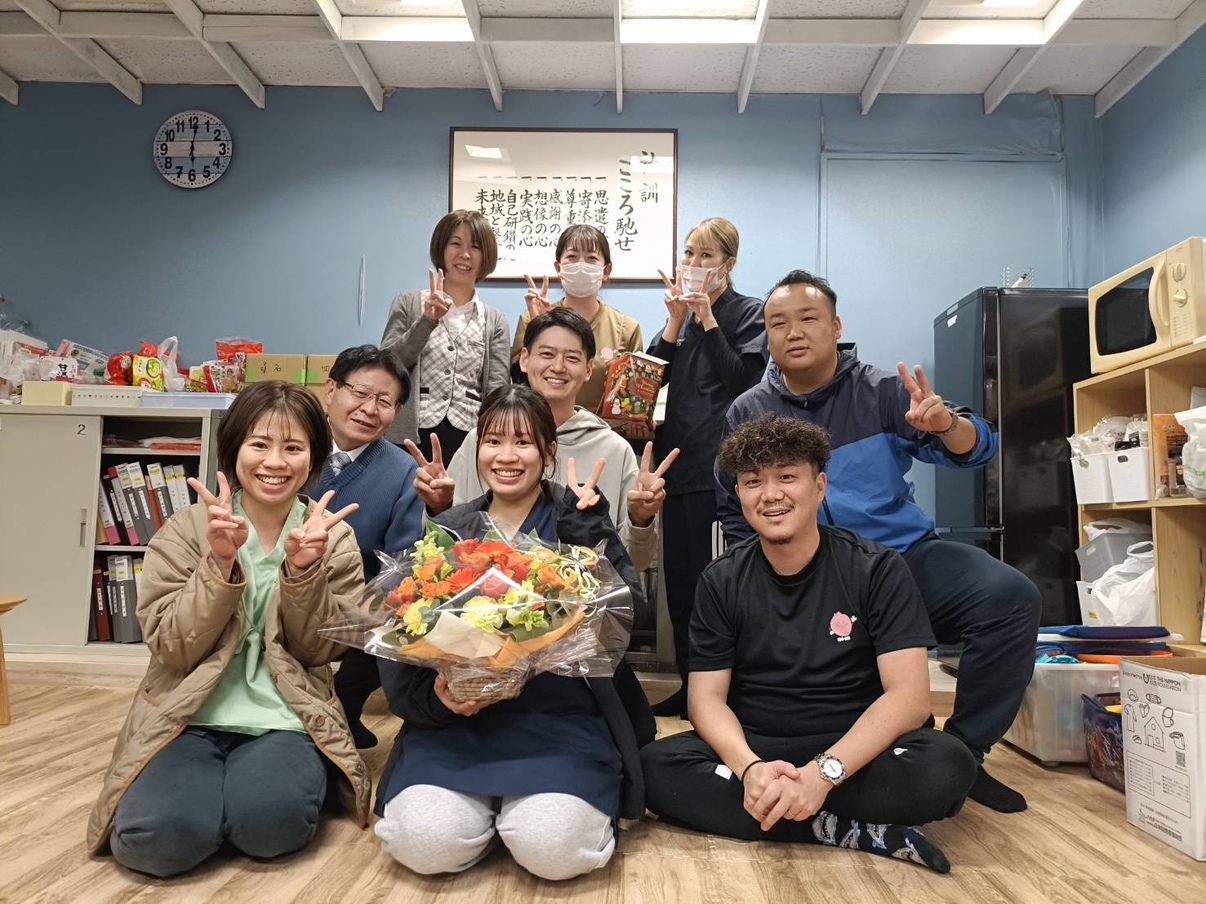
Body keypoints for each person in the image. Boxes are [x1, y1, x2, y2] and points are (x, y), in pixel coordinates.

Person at [716, 270, 1042, 814]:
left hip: (900, 560)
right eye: (778, 323)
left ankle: (964, 754)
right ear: (766, 336)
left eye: (808, 318)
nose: (793, 332)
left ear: (836, 326)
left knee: (1010, 598)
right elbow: (732, 507)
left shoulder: (885, 392)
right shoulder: (747, 411)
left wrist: (945, 425)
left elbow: (979, 447)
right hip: (802, 573)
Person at [642, 414, 976, 874]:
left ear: (819, 487)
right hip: (757, 743)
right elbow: (705, 700)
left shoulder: (876, 569)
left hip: (854, 750)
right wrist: (750, 768)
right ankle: (844, 829)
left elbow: (910, 698)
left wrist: (823, 774)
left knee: (946, 766)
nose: (770, 494)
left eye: (787, 477)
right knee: (654, 766)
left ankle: (786, 812)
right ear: (739, 494)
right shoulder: (721, 580)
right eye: (753, 481)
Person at [86, 382, 371, 878]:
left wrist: (303, 572)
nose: (275, 462)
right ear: (235, 448)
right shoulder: (188, 529)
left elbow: (320, 652)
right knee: (156, 842)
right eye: (259, 444)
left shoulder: (332, 536)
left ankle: (244, 799)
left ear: (314, 457)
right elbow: (173, 649)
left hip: (287, 716)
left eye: (293, 447)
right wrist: (218, 566)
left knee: (271, 827)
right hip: (187, 714)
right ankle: (205, 808)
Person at [374, 385, 655, 881]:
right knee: (424, 842)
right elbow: (404, 622)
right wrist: (439, 699)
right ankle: (483, 821)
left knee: (553, 848)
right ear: (477, 448)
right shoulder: (451, 526)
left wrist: (587, 535)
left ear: (549, 452)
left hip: (561, 720)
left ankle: (518, 822)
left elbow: (625, 620)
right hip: (459, 725)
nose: (506, 456)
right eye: (493, 441)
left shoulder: (579, 517)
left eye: (523, 442)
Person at [409, 307, 676, 574]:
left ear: (588, 369)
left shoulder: (614, 450)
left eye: (571, 358)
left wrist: (640, 519)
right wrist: (439, 507)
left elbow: (632, 564)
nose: (557, 367)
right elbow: (443, 551)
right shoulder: (481, 442)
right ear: (524, 359)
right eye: (547, 354)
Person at [647, 216, 768, 716]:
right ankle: (690, 686)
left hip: (719, 475)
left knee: (717, 585)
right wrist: (676, 322)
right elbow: (645, 385)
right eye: (689, 254)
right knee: (680, 587)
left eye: (706, 256)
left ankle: (725, 695)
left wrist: (710, 318)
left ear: (728, 264)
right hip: (675, 471)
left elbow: (745, 383)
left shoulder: (749, 312)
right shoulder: (682, 320)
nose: (694, 264)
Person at [312, 345, 425, 750]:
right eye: (360, 393)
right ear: (331, 390)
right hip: (283, 586)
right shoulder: (292, 446)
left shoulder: (403, 470)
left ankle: (345, 705)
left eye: (384, 401)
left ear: (397, 411)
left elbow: (403, 560)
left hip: (359, 599)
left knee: (404, 610)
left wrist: (372, 603)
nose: (369, 409)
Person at [381, 209, 511, 462]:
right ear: (441, 249)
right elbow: (387, 366)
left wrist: (493, 441)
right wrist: (427, 321)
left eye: (475, 247)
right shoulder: (409, 303)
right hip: (409, 436)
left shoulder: (495, 321)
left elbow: (497, 390)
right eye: (455, 244)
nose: (465, 254)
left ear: (486, 256)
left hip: (469, 439)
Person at [509, 224, 644, 414]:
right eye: (572, 257)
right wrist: (539, 327)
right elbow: (520, 384)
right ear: (559, 268)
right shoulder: (531, 317)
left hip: (603, 430)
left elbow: (632, 399)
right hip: (542, 425)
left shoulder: (626, 328)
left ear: (606, 271)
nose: (581, 265)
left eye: (591, 258)